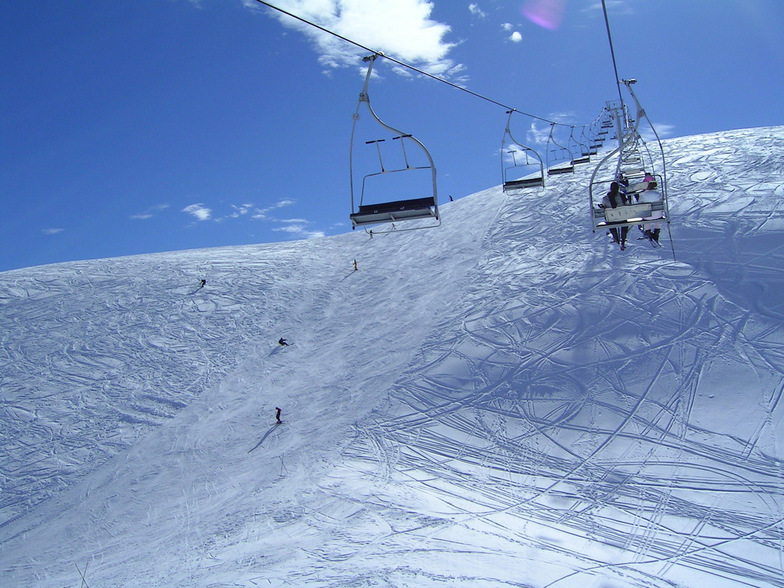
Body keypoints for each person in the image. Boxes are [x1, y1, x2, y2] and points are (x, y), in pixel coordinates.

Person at [601, 181, 628, 250]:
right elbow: (627, 205)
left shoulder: (605, 198)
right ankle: (623, 238)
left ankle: (615, 236)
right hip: (622, 219)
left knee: (608, 218)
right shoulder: (622, 196)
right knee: (624, 220)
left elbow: (604, 208)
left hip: (612, 220)